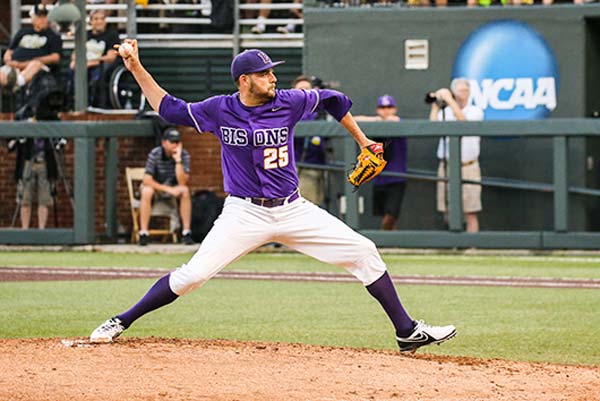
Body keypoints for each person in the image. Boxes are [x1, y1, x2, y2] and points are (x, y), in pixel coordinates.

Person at [90, 45, 456, 353]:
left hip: (293, 208)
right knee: (193, 276)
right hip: (244, 212)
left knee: (364, 251)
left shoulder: (289, 102)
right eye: (264, 74)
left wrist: (363, 142)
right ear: (244, 80)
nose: (273, 78)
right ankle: (121, 320)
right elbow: (168, 108)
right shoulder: (220, 109)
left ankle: (406, 332)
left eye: (272, 72)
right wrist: (135, 66)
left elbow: (334, 99)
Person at [429, 78, 484, 233]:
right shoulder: (445, 112)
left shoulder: (475, 110)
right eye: (460, 90)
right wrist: (436, 104)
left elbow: (464, 124)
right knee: (447, 209)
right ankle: (452, 243)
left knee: (470, 210)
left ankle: (472, 245)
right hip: (447, 165)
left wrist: (449, 100)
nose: (463, 94)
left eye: (466, 90)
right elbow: (431, 127)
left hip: (468, 166)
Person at [355, 95, 407, 230]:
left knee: (391, 215)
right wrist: (377, 120)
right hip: (379, 178)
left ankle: (385, 241)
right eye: (382, 108)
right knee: (384, 214)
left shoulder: (399, 123)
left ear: (395, 109)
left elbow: (395, 121)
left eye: (389, 107)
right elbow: (355, 120)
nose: (386, 111)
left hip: (396, 177)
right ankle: (392, 243)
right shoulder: (375, 123)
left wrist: (386, 120)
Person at [139, 127, 194, 246]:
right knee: (146, 191)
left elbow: (182, 182)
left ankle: (186, 232)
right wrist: (168, 189)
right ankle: (143, 233)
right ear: (164, 142)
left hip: (173, 188)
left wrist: (178, 161)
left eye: (177, 142)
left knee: (185, 191)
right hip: (157, 187)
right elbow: (147, 180)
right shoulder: (155, 153)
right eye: (172, 142)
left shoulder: (183, 155)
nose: (175, 145)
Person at [0, 4, 62, 93]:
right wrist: (9, 61)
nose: (42, 20)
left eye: (45, 17)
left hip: (37, 68)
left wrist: (28, 62)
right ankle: (10, 89)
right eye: (39, 17)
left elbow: (55, 57)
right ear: (32, 19)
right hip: (14, 66)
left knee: (35, 64)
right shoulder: (23, 32)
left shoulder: (53, 36)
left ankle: (16, 84)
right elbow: (9, 51)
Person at [68, 9, 119, 108]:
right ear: (91, 21)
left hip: (100, 66)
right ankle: (72, 104)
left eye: (102, 19)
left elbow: (111, 57)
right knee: (71, 69)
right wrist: (75, 61)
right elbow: (75, 53)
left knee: (96, 74)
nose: (99, 21)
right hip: (83, 64)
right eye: (96, 19)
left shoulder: (112, 35)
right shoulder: (85, 34)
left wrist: (92, 62)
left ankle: (94, 105)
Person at [292, 75, 327, 206]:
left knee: (319, 204)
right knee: (306, 205)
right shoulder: (291, 111)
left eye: (307, 89)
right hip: (302, 167)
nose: (304, 93)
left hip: (321, 166)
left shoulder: (319, 111)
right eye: (300, 90)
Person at [8, 138, 58, 229]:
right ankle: (25, 229)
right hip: (27, 161)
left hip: (45, 162)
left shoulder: (48, 122)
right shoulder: (22, 122)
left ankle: (41, 230)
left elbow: (58, 137)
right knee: (25, 200)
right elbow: (11, 140)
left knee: (44, 200)